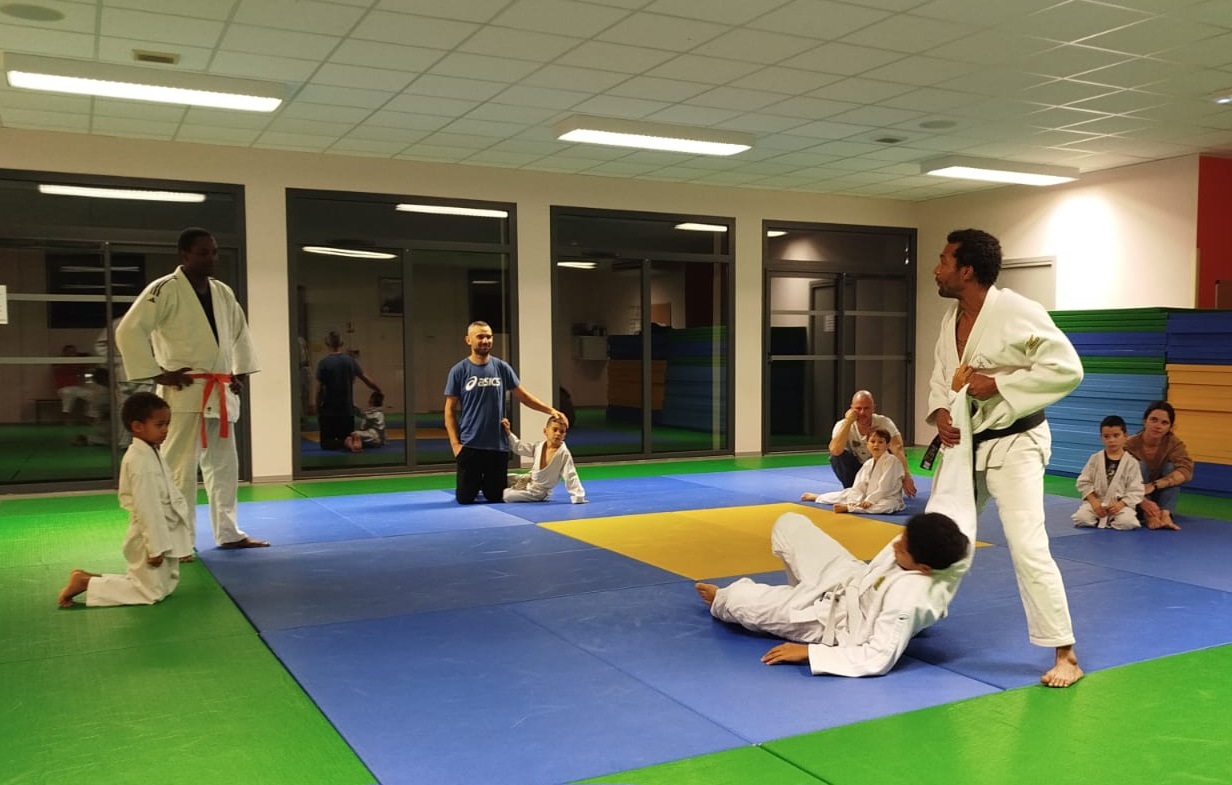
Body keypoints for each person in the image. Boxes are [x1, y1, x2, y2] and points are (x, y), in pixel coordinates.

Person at [696, 390, 976, 677]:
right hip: (852, 578)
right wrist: (958, 399)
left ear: (924, 568)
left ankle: (735, 599)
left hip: (835, 617)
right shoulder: (952, 546)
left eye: (903, 548)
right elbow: (954, 496)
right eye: (901, 539)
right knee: (789, 523)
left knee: (741, 600)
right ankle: (801, 589)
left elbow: (877, 657)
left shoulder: (909, 598)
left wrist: (811, 653)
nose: (895, 546)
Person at [928, 228, 1084, 688]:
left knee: (1027, 544)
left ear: (966, 270)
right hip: (965, 444)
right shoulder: (951, 317)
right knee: (938, 534)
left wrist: (998, 383)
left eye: (943, 261)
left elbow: (1067, 369)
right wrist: (941, 412)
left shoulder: (1018, 311)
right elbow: (941, 375)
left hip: (1017, 443)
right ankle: (906, 616)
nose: (936, 269)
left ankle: (1066, 653)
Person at [115, 227, 268, 550]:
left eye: (214, 252)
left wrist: (238, 372)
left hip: (220, 391)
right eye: (203, 253)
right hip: (184, 394)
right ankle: (179, 540)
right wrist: (158, 374)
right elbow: (129, 330)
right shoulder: (164, 289)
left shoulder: (222, 292)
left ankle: (228, 533)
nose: (211, 258)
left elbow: (240, 333)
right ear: (184, 255)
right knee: (179, 470)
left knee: (225, 469)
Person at [57, 392, 194, 608]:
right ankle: (85, 583)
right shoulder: (139, 461)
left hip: (162, 529)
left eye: (167, 424)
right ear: (137, 426)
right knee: (150, 593)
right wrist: (155, 547)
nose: (165, 430)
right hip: (146, 535)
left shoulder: (151, 452)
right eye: (159, 425)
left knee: (163, 586)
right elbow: (147, 507)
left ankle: (87, 578)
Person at [444, 321, 568, 504]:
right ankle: (479, 482)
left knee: (495, 496)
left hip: (497, 445)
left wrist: (551, 410)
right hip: (470, 444)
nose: (485, 340)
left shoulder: (501, 368)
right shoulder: (459, 371)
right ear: (468, 340)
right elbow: (449, 410)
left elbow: (524, 396)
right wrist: (455, 444)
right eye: (480, 336)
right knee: (465, 498)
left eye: (488, 336)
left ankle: (520, 480)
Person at [829, 390, 917, 498]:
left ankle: (885, 488)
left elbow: (897, 448)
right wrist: (848, 421)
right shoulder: (842, 425)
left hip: (879, 468)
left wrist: (906, 475)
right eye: (858, 408)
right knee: (836, 457)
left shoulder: (884, 423)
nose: (862, 413)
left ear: (873, 408)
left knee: (893, 456)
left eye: (866, 408)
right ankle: (852, 488)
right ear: (851, 408)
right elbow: (835, 450)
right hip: (857, 470)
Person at [802, 428, 904, 514]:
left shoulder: (892, 461)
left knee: (888, 505)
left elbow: (886, 486)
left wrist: (870, 500)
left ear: (887, 445)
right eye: (872, 442)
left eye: (880, 442)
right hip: (866, 497)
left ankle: (851, 508)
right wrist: (854, 500)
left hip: (887, 497)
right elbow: (859, 485)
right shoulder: (868, 463)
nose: (876, 445)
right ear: (867, 444)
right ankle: (819, 497)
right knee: (848, 493)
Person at [1125, 401, 1192, 531]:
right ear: (1145, 422)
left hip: (1158, 493)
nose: (1158, 426)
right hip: (1134, 496)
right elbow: (1119, 479)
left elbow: (1186, 471)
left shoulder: (1174, 444)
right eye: (1154, 420)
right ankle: (1149, 515)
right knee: (1139, 466)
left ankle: (1165, 515)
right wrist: (1143, 500)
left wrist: (1154, 485)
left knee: (1171, 468)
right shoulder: (1129, 445)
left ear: (1170, 427)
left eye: (1164, 423)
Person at [1072, 415, 1144, 530]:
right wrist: (1094, 503)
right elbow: (1084, 482)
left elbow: (1136, 490)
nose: (1111, 440)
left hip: (1119, 506)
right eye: (1106, 436)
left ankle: (1109, 521)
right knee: (1081, 518)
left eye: (1116, 435)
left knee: (1128, 522)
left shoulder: (1131, 462)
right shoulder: (1095, 459)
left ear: (1125, 436)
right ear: (1101, 438)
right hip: (1097, 503)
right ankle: (1101, 519)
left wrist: (1120, 504)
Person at [316, 331, 381, 450]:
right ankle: (350, 441)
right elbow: (366, 379)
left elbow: (319, 389)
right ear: (342, 343)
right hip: (346, 411)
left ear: (327, 343)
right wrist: (378, 390)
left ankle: (346, 442)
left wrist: (317, 407)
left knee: (326, 444)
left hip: (329, 411)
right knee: (346, 435)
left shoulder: (323, 363)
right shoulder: (350, 361)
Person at [501, 416, 587, 503]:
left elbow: (571, 475)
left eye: (561, 431)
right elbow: (519, 448)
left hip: (539, 492)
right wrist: (508, 433)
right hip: (528, 480)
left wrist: (578, 496)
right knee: (502, 478)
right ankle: (515, 488)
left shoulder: (563, 454)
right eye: (555, 430)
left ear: (564, 435)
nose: (558, 433)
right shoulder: (538, 446)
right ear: (545, 431)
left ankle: (513, 491)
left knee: (507, 495)